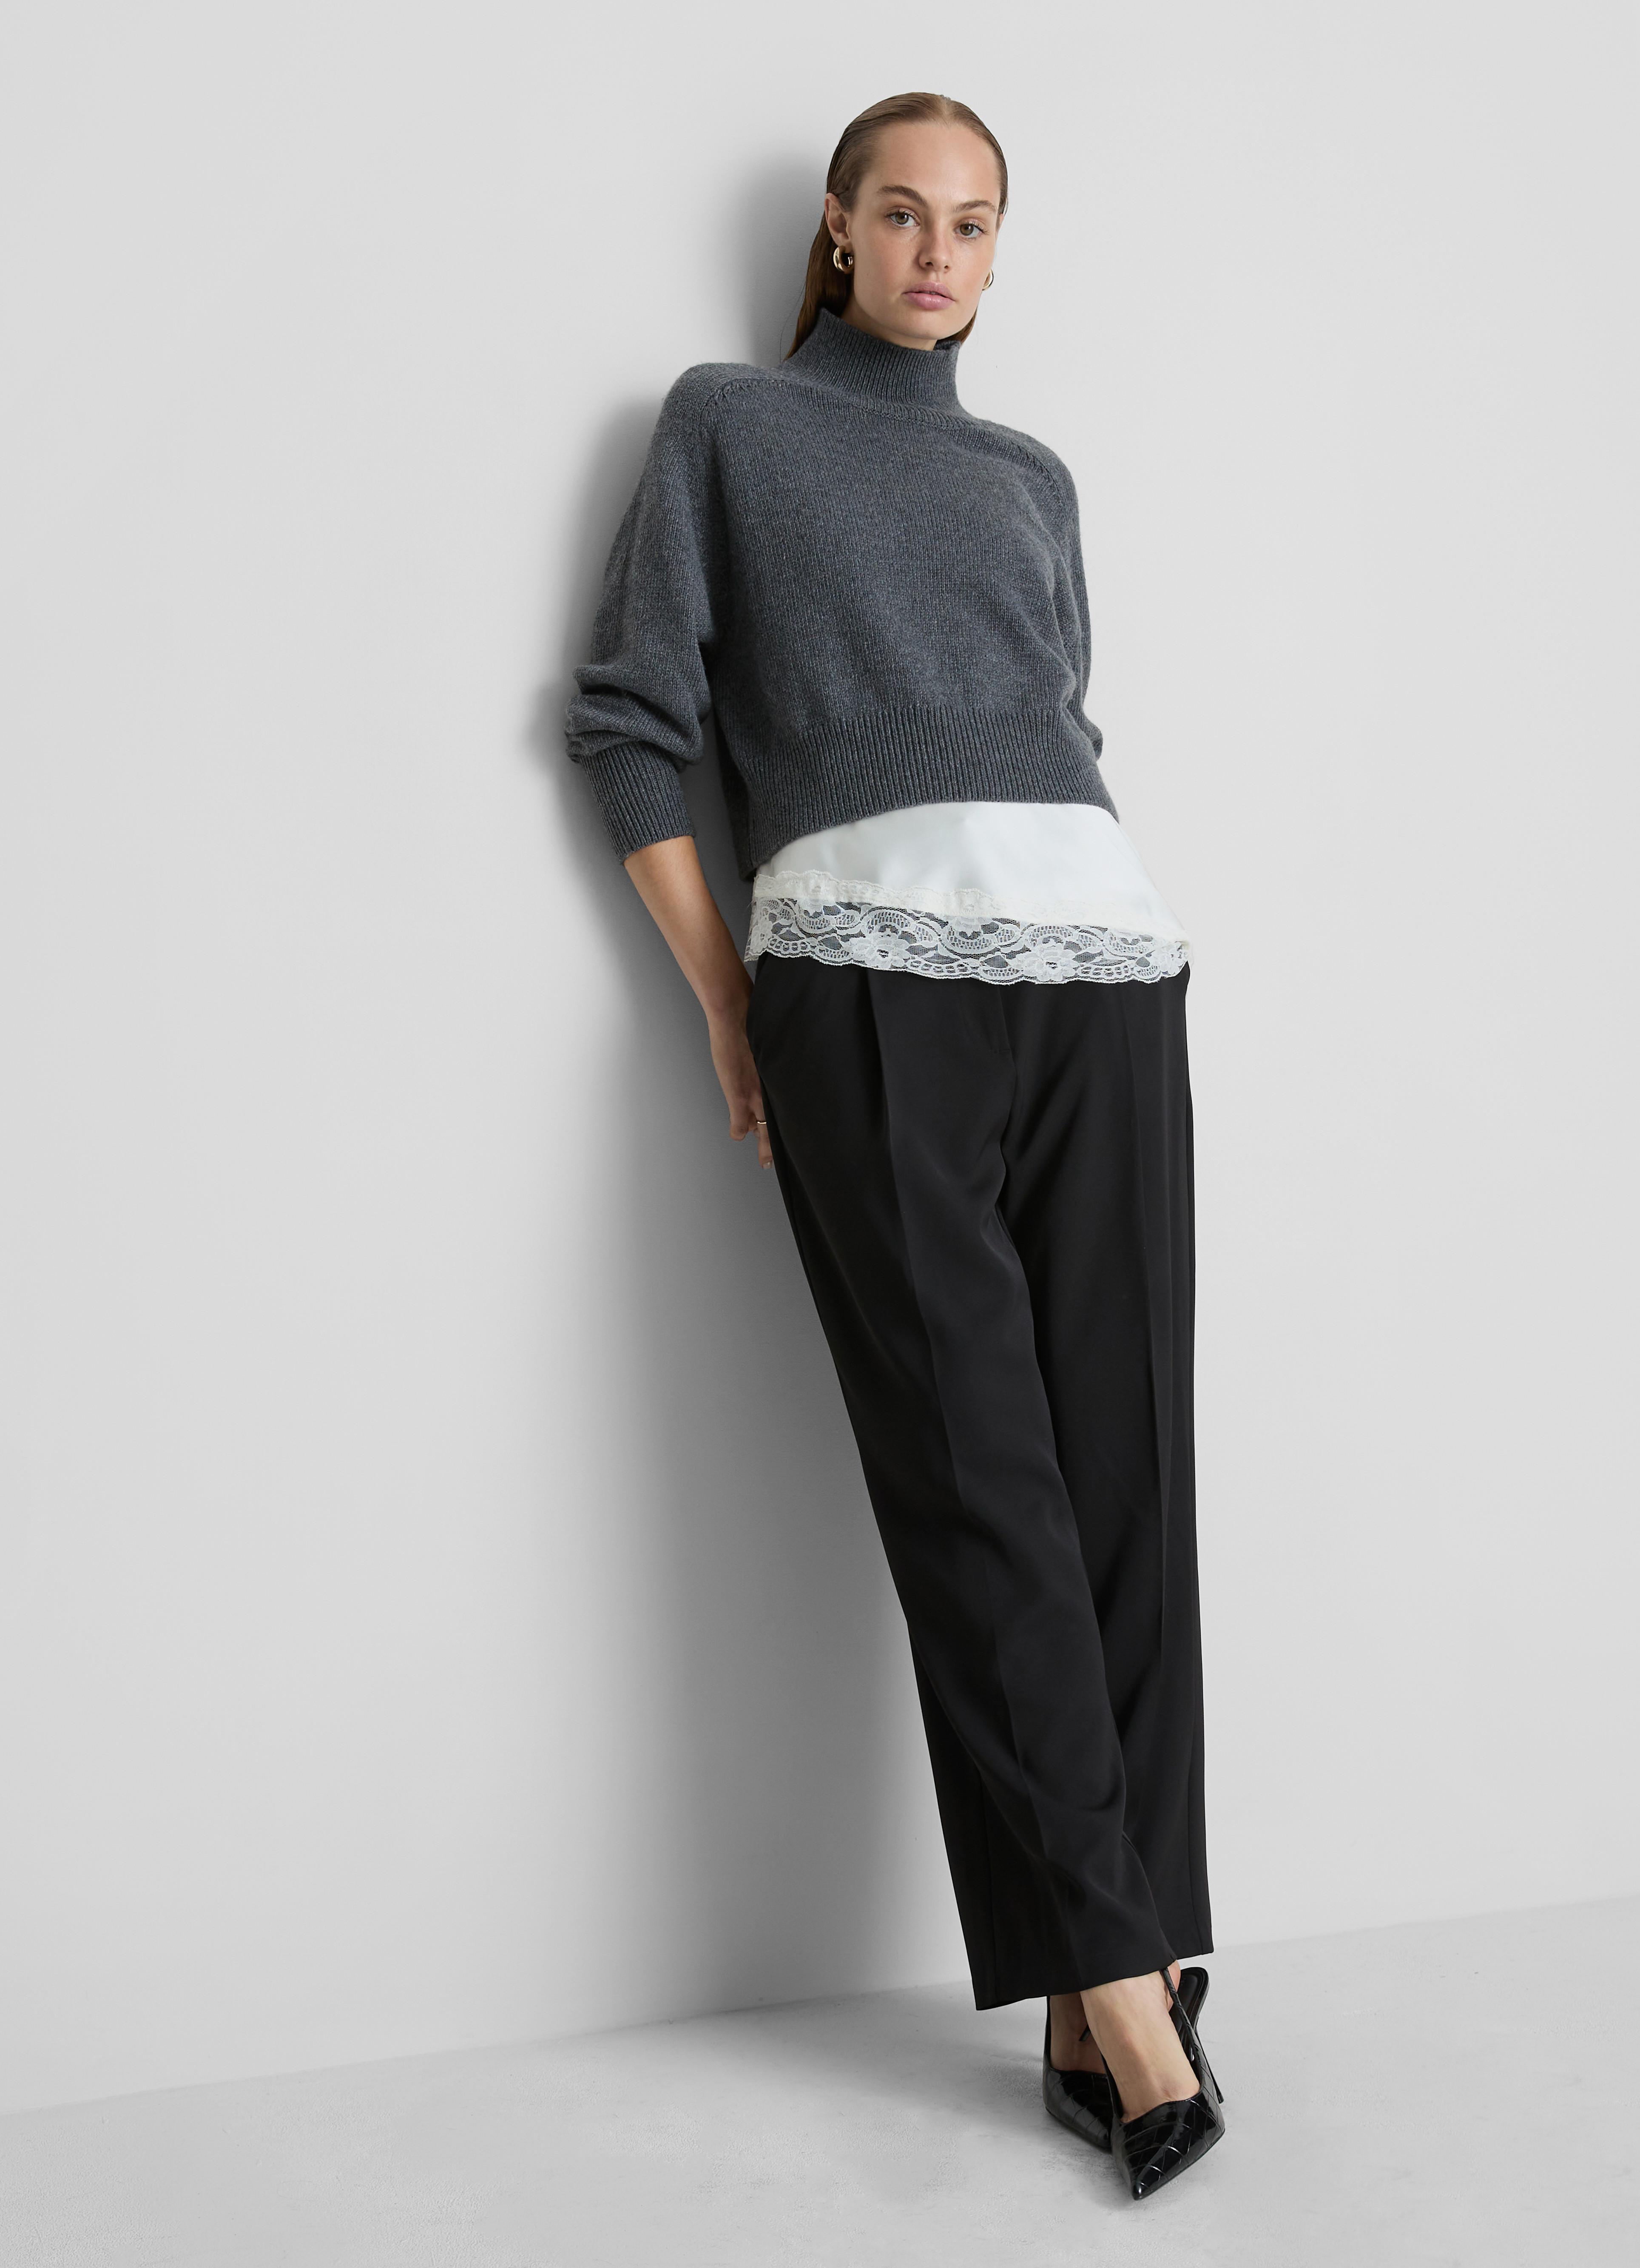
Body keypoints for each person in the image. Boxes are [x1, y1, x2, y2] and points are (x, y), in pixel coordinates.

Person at [565, 90, 1222, 2200]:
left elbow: (1053, 725)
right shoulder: (730, 428)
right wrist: (731, 999)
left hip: (1102, 964)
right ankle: (1119, 1981)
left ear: (998, 252)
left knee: (1125, 1476)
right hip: (861, 976)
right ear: (839, 232)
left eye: (975, 222)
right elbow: (628, 722)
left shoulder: (1030, 476)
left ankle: (1110, 1976)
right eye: (904, 213)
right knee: (978, 1478)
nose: (940, 251)